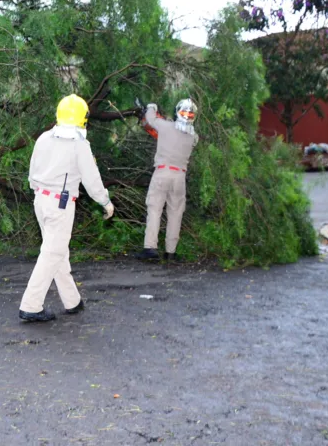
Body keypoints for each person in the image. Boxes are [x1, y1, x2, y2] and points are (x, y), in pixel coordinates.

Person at [19, 94, 115, 323]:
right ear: (83, 119)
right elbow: (92, 181)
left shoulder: (44, 137)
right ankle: (31, 305)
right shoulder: (79, 145)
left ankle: (72, 300)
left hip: (40, 201)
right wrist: (106, 202)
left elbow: (32, 171)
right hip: (60, 206)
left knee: (57, 251)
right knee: (52, 253)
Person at [136, 99, 198, 262]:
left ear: (177, 111)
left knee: (155, 209)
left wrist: (151, 107)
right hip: (179, 178)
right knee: (176, 214)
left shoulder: (165, 126)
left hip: (162, 173)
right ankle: (171, 252)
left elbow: (150, 120)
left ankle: (150, 248)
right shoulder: (194, 137)